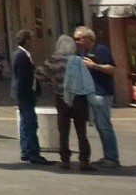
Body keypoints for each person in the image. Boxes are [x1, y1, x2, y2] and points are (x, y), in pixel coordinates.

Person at [39, 34, 96, 171]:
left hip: (62, 98)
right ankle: (84, 160)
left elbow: (39, 74)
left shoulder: (53, 60)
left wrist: (51, 82)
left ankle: (65, 160)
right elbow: (85, 79)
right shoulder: (78, 60)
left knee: (63, 130)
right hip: (79, 98)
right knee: (81, 131)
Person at [74, 25, 119, 167]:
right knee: (99, 125)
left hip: (102, 92)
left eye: (79, 39)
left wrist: (95, 66)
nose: (77, 42)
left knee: (105, 125)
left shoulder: (100, 50)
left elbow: (112, 69)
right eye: (75, 39)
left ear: (89, 38)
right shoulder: (83, 53)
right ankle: (107, 156)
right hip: (91, 93)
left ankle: (112, 158)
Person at [13, 30, 52, 164]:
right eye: (31, 40)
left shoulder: (20, 54)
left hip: (22, 95)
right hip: (26, 95)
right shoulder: (22, 56)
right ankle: (33, 152)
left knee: (25, 123)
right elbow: (24, 79)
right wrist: (31, 93)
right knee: (31, 124)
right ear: (27, 41)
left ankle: (26, 150)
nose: (32, 43)